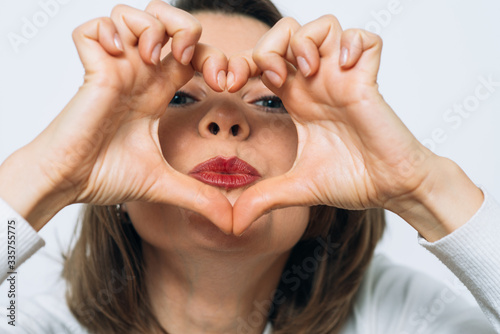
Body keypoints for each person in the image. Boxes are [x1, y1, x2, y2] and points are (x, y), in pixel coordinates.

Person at [0, 0, 499, 333]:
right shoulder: (31, 317)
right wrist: (52, 173)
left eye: (269, 102)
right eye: (179, 97)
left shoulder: (404, 316)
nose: (224, 119)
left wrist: (420, 186)